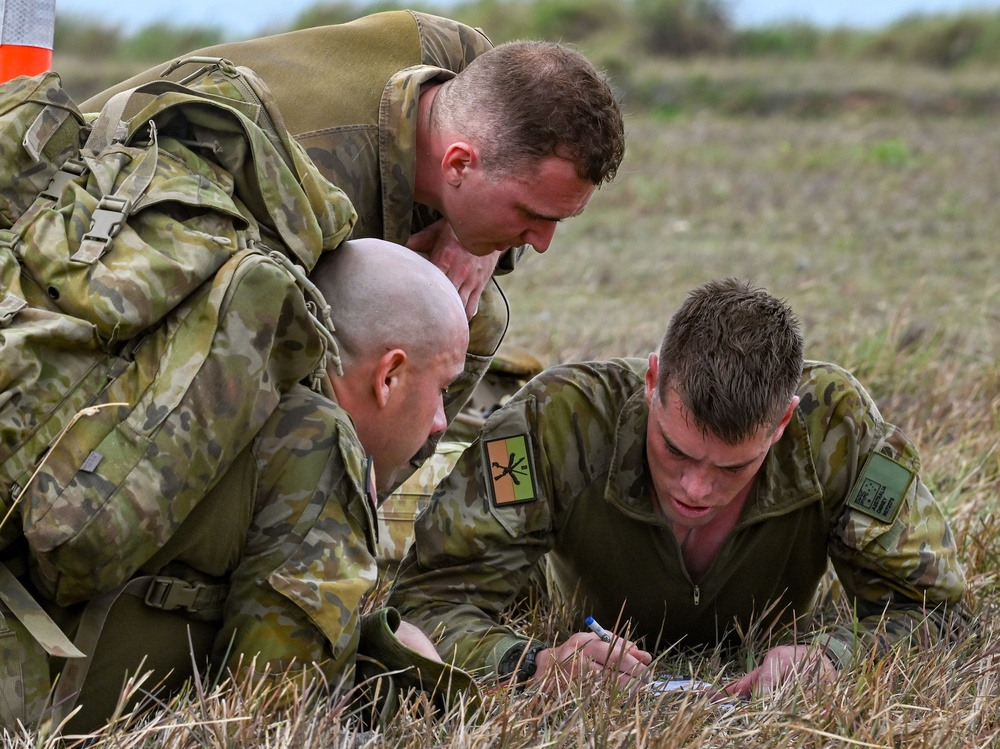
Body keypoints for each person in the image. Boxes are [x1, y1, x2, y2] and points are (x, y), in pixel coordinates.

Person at [389, 278, 969, 696]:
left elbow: (936, 609)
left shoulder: (839, 431)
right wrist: (527, 662)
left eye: (733, 469)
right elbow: (430, 602)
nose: (696, 488)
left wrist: (836, 658)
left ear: (784, 423)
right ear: (651, 381)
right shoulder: (556, 419)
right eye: (676, 449)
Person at [82, 9, 626, 447]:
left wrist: (472, 241)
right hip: (78, 222)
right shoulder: (307, 192)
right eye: (531, 215)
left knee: (463, 312)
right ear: (458, 166)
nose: (542, 243)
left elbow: (499, 79)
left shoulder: (455, 58)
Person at [14, 239, 470, 731]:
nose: (442, 420)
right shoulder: (317, 442)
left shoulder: (180, 379)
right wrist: (403, 672)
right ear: (389, 376)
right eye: (443, 388)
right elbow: (273, 719)